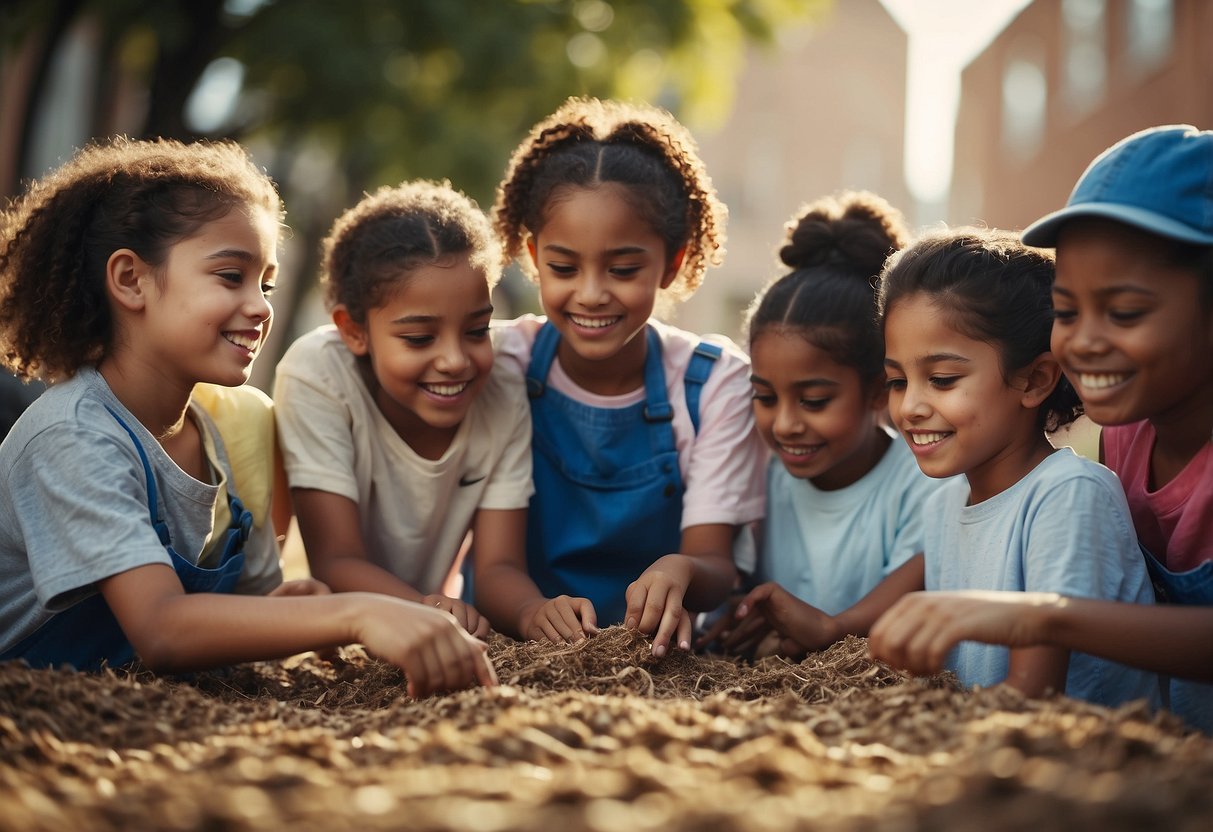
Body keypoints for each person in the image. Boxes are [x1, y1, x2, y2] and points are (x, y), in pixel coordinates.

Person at [0, 137, 495, 697]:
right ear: (131, 280)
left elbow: (219, 618)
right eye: (231, 276)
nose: (261, 307)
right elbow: (161, 627)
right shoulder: (74, 435)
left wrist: (283, 611)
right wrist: (356, 614)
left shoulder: (227, 433)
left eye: (266, 284)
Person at [871, 125, 1213, 728]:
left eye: (1125, 312)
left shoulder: (1074, 488)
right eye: (1067, 310)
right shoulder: (1125, 436)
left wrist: (1039, 614)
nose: (1082, 340)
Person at [480, 96, 766, 655]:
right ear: (534, 257)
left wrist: (680, 570)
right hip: (515, 651)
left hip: (663, 661)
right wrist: (531, 611)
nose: (590, 293)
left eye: (624, 269)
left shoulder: (713, 385)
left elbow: (715, 564)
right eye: (563, 268)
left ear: (674, 262)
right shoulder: (501, 362)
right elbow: (493, 566)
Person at [873, 227, 1157, 706]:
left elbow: (1031, 698)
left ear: (1034, 379)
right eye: (897, 381)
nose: (910, 407)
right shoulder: (943, 503)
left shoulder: (1067, 496)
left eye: (942, 380)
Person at [273, 180, 532, 639]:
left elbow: (497, 567)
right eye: (418, 339)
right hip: (353, 623)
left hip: (429, 611)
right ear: (353, 331)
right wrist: (424, 610)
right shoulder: (318, 375)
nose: (455, 360)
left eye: (477, 330)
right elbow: (336, 561)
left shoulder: (504, 384)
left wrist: (534, 613)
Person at [697, 191, 945, 657]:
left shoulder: (922, 482)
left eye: (813, 401)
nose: (786, 424)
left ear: (877, 389)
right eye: (765, 397)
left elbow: (915, 592)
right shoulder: (761, 475)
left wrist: (828, 631)